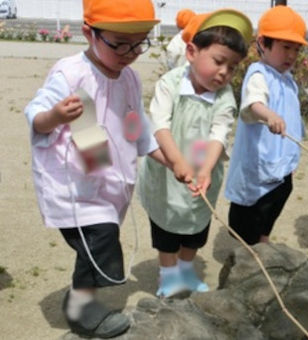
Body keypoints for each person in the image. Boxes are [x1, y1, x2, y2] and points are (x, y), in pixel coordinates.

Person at [24, 0, 167, 337]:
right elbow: (37, 116)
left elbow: (136, 128)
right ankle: (80, 308)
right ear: (89, 33)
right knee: (100, 238)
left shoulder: (129, 78)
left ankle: (83, 301)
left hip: (108, 178)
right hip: (72, 186)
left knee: (100, 239)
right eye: (120, 43)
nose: (131, 52)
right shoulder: (70, 73)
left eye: (140, 42)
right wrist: (56, 116)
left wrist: (171, 161)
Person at [138, 9, 252, 298]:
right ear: (192, 52)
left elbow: (219, 133)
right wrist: (176, 161)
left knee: (195, 228)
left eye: (233, 67)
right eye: (218, 61)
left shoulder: (224, 96)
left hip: (203, 171)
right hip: (167, 171)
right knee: (165, 230)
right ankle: (168, 276)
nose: (225, 72)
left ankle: (186, 271)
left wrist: (205, 170)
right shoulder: (171, 84)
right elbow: (160, 125)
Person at [224, 5, 307, 245]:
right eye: (285, 47)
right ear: (263, 43)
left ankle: (263, 238)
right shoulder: (258, 73)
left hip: (281, 164)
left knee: (277, 199)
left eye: (295, 49)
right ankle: (245, 249)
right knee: (252, 208)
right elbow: (253, 103)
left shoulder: (288, 80)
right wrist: (268, 115)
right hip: (258, 164)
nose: (291, 55)